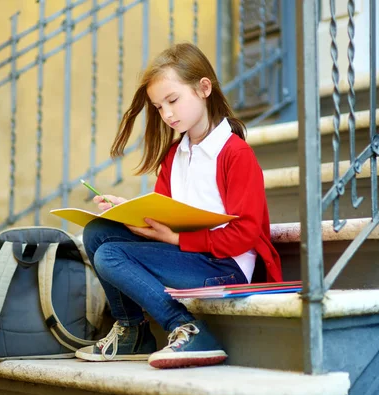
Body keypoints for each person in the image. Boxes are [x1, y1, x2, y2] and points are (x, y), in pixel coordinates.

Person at [75, 42, 282, 369]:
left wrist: (175, 239)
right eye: (158, 107)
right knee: (99, 232)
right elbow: (165, 215)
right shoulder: (174, 155)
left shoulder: (235, 154)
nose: (167, 113)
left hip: (225, 267)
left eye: (173, 100)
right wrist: (128, 211)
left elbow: (245, 232)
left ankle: (189, 328)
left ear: (203, 88)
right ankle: (132, 332)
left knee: (111, 255)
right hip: (188, 257)